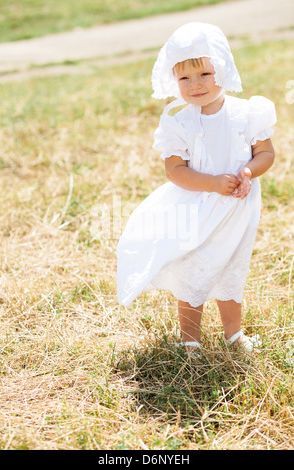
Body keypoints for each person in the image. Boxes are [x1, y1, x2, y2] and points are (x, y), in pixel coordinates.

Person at [116, 22, 276, 355]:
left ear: (224, 68)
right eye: (184, 78)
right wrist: (212, 183)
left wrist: (247, 171)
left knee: (232, 268)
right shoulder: (180, 120)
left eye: (204, 73)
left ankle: (234, 334)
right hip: (195, 209)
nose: (195, 85)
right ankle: (190, 340)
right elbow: (174, 170)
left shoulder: (247, 113)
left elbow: (266, 153)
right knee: (194, 270)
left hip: (236, 209)